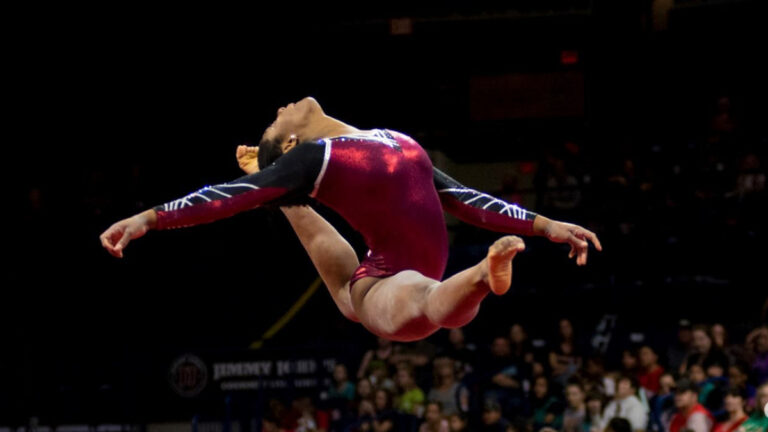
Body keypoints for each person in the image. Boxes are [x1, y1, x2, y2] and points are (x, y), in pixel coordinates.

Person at [100, 97, 602, 342]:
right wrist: (150, 218)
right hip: (386, 285)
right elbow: (229, 196)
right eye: (277, 122)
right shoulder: (314, 155)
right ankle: (479, 275)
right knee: (426, 298)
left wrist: (543, 224)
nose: (282, 107)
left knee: (377, 296)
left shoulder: (391, 137)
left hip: (369, 286)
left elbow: (460, 195)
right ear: (291, 145)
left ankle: (476, 276)